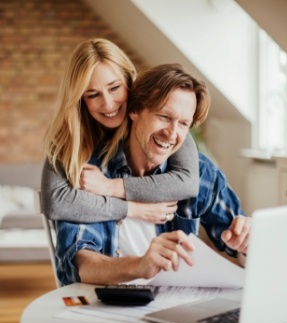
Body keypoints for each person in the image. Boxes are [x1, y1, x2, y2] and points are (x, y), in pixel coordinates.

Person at [54, 63, 251, 286]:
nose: (172, 134)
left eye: (183, 123)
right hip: (108, 306)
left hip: (176, 305)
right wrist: (139, 265)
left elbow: (239, 245)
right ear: (134, 110)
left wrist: (246, 245)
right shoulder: (90, 174)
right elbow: (82, 264)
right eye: (164, 117)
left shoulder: (200, 172)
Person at [41, 38, 202, 226]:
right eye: (93, 94)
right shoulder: (70, 138)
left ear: (129, 80)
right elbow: (56, 202)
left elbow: (187, 182)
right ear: (80, 99)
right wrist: (133, 209)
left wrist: (109, 187)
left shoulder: (157, 119)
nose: (108, 104)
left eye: (115, 88)